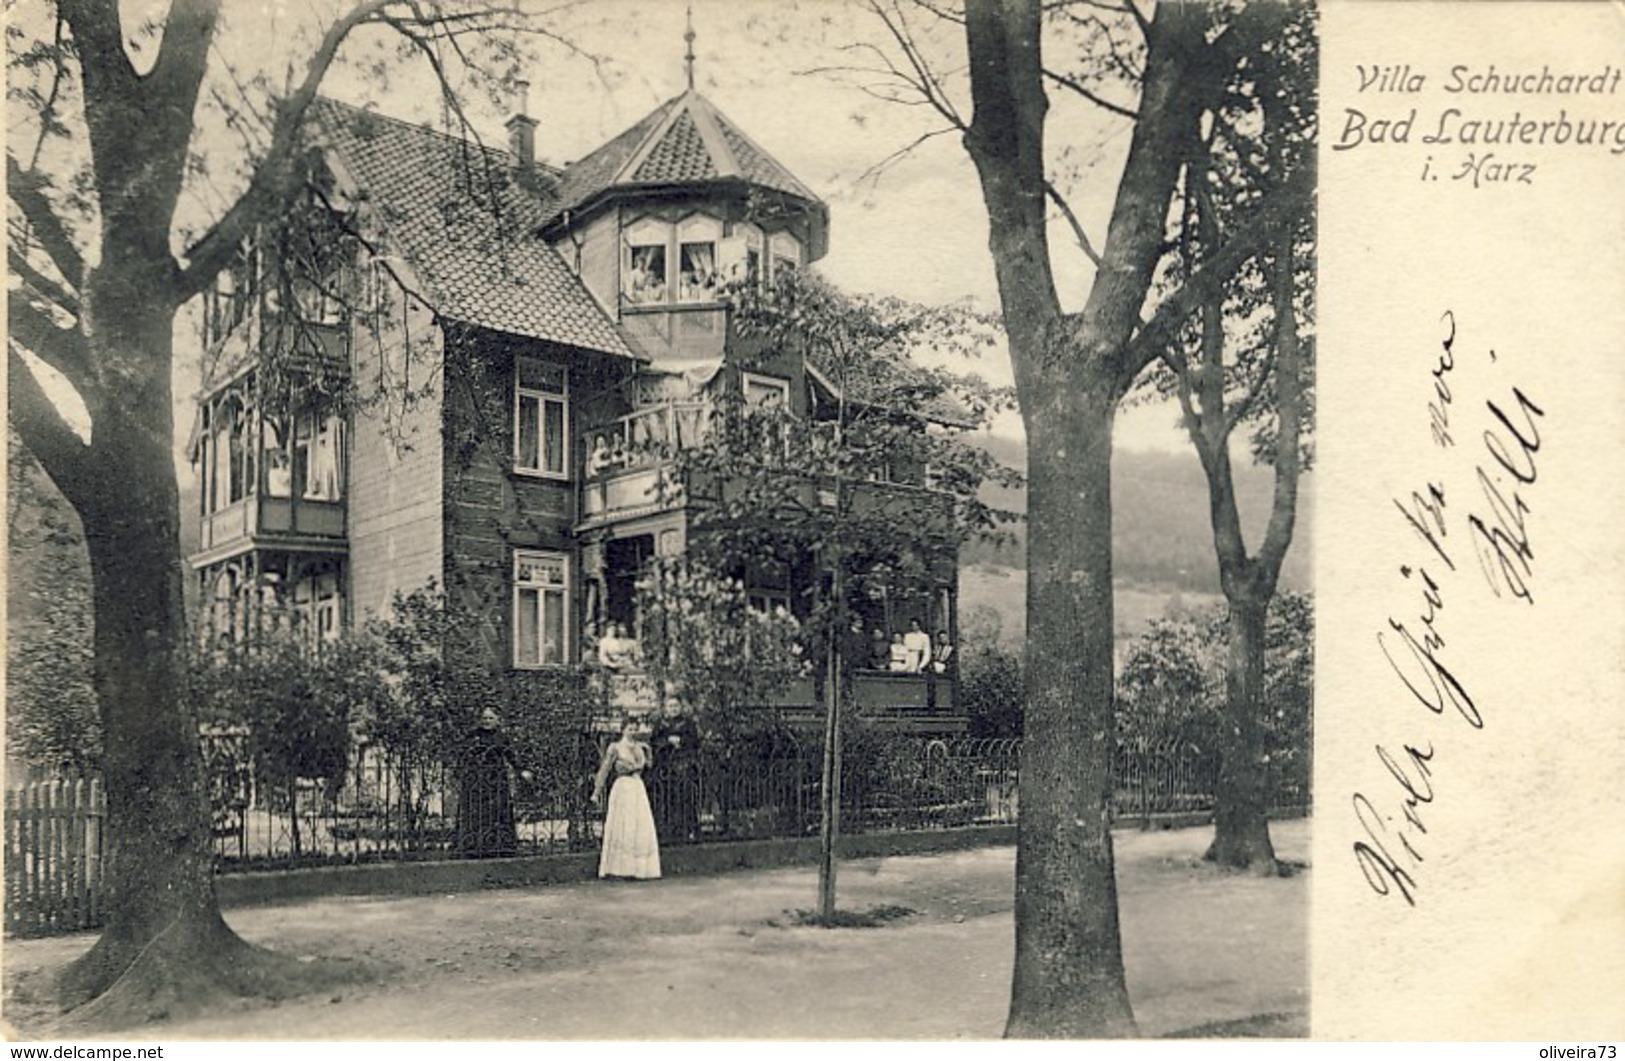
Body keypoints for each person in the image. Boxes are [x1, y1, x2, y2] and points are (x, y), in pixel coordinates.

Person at [592, 718, 661, 880]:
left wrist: (648, 752)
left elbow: (648, 766)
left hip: (637, 787)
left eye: (635, 729)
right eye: (629, 729)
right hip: (623, 787)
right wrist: (597, 791)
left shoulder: (640, 748)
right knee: (624, 825)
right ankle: (620, 869)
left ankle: (640, 869)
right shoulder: (615, 747)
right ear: (623, 730)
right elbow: (605, 769)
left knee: (639, 824)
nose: (632, 732)